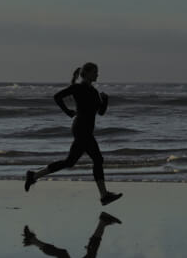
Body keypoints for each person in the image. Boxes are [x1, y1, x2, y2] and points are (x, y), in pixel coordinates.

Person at [24, 61, 120, 204]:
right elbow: (57, 96)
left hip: (85, 130)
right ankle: (104, 195)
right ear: (87, 73)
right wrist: (68, 111)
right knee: (98, 159)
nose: (97, 74)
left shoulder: (94, 92)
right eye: (95, 72)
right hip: (81, 129)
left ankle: (34, 176)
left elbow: (100, 112)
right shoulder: (77, 88)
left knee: (70, 162)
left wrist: (105, 100)